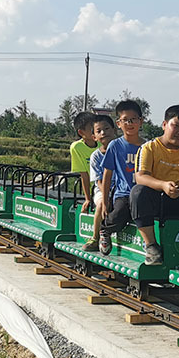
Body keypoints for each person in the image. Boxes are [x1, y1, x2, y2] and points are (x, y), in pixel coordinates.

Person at [131, 105, 179, 264]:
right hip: (158, 198)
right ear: (164, 125)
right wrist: (163, 185)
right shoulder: (149, 148)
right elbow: (141, 177)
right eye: (176, 126)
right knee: (138, 193)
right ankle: (151, 246)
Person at [99, 100, 146, 255]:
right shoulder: (115, 146)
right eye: (125, 120)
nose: (130, 123)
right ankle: (104, 231)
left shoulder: (148, 147)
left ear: (141, 121)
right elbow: (107, 174)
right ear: (118, 123)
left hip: (143, 194)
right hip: (124, 194)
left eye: (134, 119)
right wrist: (105, 201)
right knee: (120, 214)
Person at [82, 114, 117, 251]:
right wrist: (106, 195)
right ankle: (95, 237)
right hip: (101, 189)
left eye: (107, 129)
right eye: (99, 131)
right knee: (102, 203)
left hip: (119, 189)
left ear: (114, 130)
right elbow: (99, 180)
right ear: (94, 137)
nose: (104, 133)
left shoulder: (120, 149)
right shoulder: (96, 156)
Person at [69, 111, 97, 212]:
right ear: (81, 132)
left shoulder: (104, 143)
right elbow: (84, 175)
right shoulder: (76, 147)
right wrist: (88, 199)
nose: (96, 130)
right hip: (95, 190)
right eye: (92, 128)